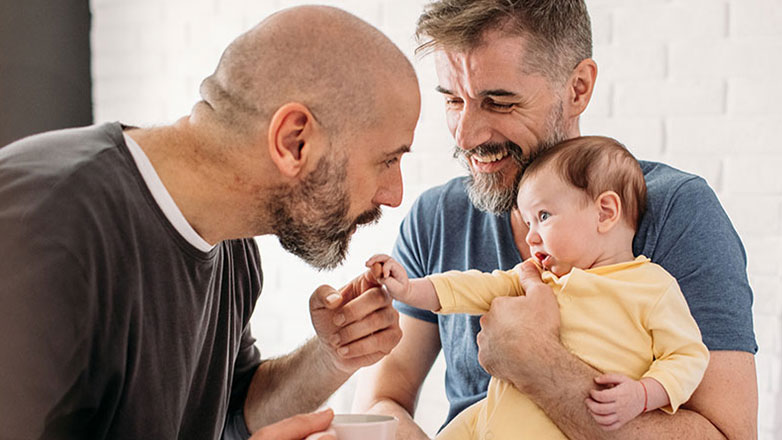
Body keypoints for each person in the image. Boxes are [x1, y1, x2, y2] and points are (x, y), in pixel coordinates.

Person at [0, 5, 420, 440]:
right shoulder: (47, 225)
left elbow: (232, 415)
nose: (394, 195)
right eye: (387, 160)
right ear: (294, 141)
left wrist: (331, 356)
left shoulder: (232, 250)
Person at [352, 1, 758, 439]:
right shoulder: (437, 216)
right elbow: (381, 399)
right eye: (453, 100)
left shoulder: (677, 211)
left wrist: (538, 364)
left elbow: (729, 433)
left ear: (578, 88)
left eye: (499, 102)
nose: (465, 135)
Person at [364, 136, 709, 438]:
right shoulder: (537, 278)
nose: (531, 236)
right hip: (486, 420)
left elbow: (687, 356)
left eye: (543, 216)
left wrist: (644, 395)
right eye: (527, 221)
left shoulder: (652, 287)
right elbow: (473, 287)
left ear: (605, 212)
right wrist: (410, 290)